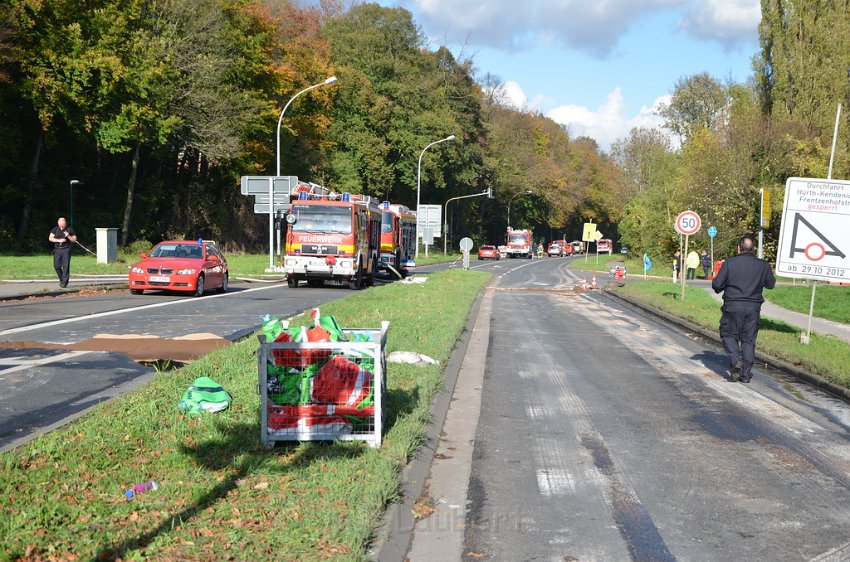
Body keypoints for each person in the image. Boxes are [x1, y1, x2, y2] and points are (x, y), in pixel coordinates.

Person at [711, 234, 776, 383]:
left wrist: (722, 284)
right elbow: (770, 284)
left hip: (732, 306)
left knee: (728, 334)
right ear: (754, 248)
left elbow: (717, 285)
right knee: (748, 340)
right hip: (753, 308)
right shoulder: (763, 265)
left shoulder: (729, 263)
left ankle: (735, 361)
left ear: (739, 248)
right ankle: (745, 375)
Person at [48, 217, 77, 288]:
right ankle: (61, 279)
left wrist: (68, 236)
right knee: (56, 266)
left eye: (63, 225)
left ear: (65, 223)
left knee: (66, 266)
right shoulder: (55, 229)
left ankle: (64, 282)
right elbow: (50, 238)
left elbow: (74, 239)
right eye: (60, 225)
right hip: (57, 249)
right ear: (58, 223)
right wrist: (59, 240)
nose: (61, 227)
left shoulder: (69, 229)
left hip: (66, 249)